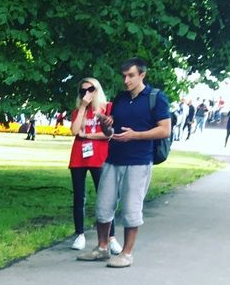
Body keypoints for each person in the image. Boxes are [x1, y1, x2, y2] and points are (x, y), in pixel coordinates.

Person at [76, 57, 171, 268]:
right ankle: (102, 248)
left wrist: (135, 135)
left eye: (131, 76)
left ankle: (126, 253)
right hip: (113, 159)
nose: (126, 80)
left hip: (138, 161)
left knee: (131, 208)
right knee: (103, 206)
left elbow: (165, 130)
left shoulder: (156, 98)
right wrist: (106, 123)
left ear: (142, 75)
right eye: (124, 76)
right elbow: (110, 131)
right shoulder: (120, 98)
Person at [66, 77, 118, 252]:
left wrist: (88, 136)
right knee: (78, 197)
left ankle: (111, 237)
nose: (87, 93)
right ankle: (79, 234)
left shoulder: (107, 108)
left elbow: (109, 134)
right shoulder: (78, 111)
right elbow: (74, 131)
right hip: (79, 157)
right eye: (83, 91)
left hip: (99, 157)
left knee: (105, 197)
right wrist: (82, 107)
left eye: (91, 89)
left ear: (97, 90)